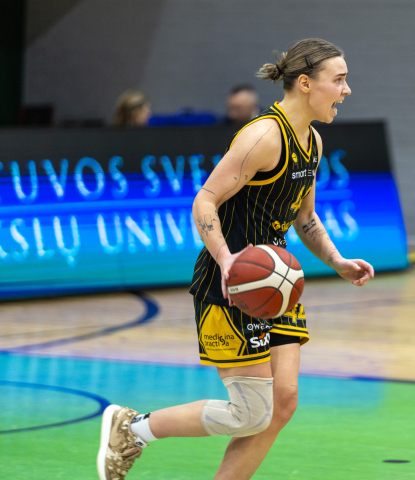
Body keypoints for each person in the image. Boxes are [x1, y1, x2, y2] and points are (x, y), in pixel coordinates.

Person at [97, 38, 374, 480]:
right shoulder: (262, 137)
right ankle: (133, 429)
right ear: (305, 83)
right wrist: (228, 260)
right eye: (339, 80)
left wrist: (337, 261)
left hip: (276, 283)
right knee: (250, 412)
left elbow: (305, 217)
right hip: (231, 283)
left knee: (282, 404)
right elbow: (204, 201)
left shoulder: (313, 142)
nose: (346, 89)